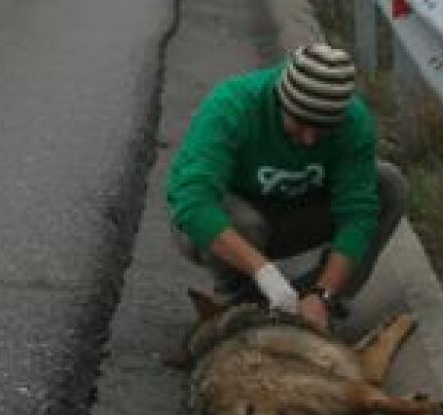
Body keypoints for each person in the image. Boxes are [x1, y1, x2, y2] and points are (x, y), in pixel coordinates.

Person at [167, 43, 407, 333]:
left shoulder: (354, 123)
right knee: (240, 221)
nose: (309, 139)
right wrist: (266, 273)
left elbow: (358, 215)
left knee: (387, 185)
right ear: (281, 102)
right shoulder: (233, 106)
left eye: (323, 129)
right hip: (233, 219)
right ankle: (240, 299)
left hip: (294, 213)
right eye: (300, 124)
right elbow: (192, 203)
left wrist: (323, 294)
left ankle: (319, 304)